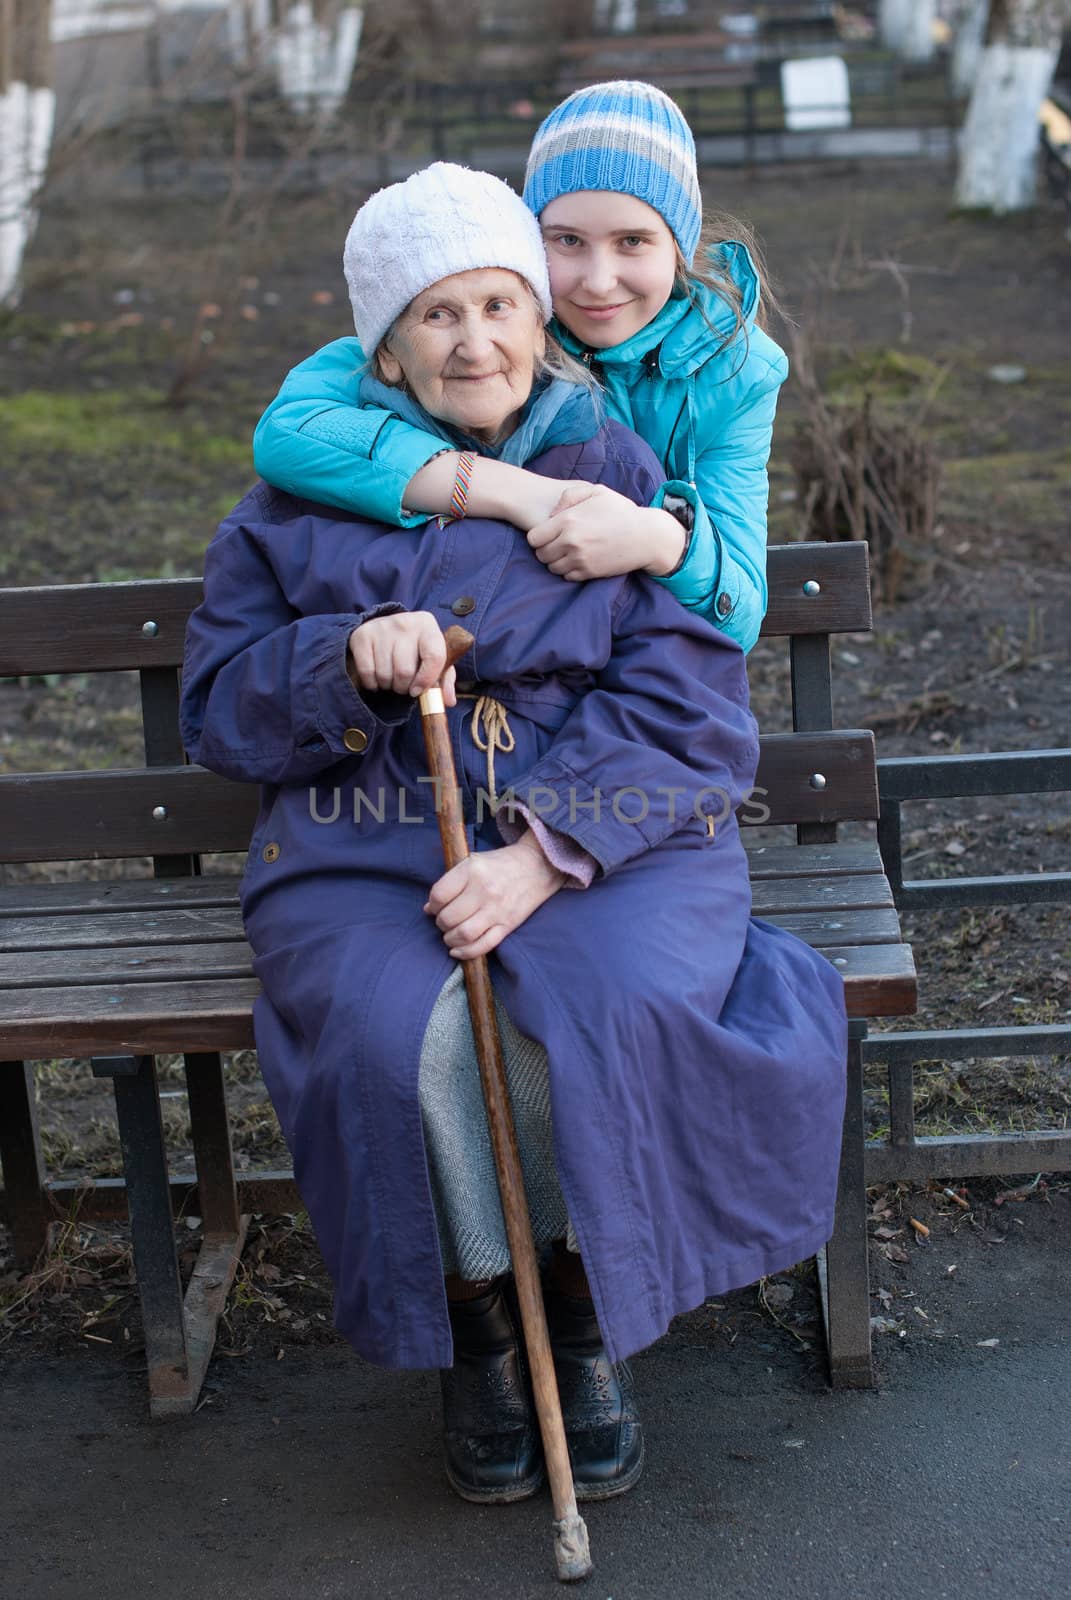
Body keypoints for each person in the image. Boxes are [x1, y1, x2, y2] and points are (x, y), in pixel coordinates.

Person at [180, 163, 847, 1510]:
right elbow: (215, 710)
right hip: (364, 846)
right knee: (404, 1033)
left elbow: (686, 705)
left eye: (497, 304)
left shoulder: (610, 470)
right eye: (436, 316)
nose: (473, 339)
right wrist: (334, 658)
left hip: (613, 839)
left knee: (587, 1014)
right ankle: (484, 1326)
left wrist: (542, 853)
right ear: (384, 347)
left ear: (538, 322)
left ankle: (579, 1319)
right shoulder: (295, 501)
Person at [252, 81, 787, 654]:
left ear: (677, 245)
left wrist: (662, 539)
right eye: (568, 240)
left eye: (633, 241)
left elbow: (740, 613)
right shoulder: (498, 328)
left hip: (636, 662)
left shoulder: (736, 373)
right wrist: (505, 490)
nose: (598, 280)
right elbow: (289, 429)